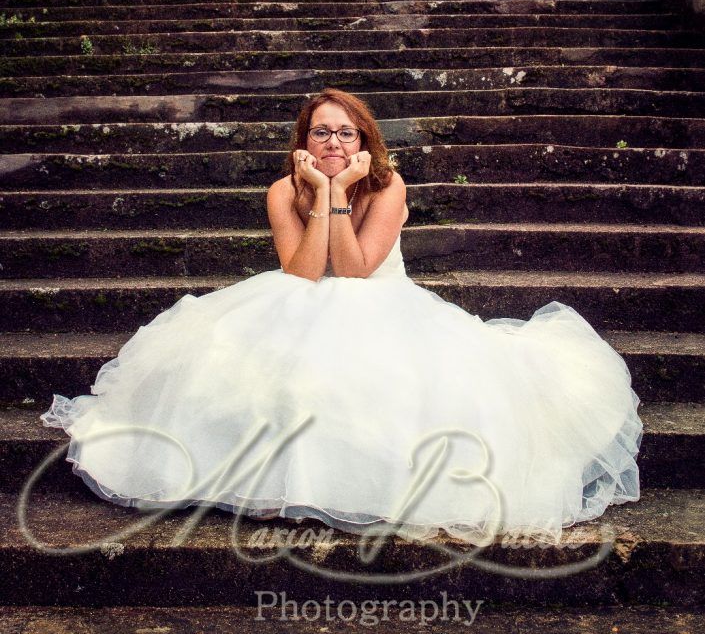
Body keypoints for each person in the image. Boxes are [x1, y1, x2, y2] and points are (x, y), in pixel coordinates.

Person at [39, 87, 643, 547]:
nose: (334, 144)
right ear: (304, 142)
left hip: (383, 308)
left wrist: (339, 193)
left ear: (365, 142)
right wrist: (320, 195)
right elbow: (301, 274)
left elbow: (354, 273)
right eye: (322, 133)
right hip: (299, 298)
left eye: (346, 134)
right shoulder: (283, 191)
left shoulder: (387, 187)